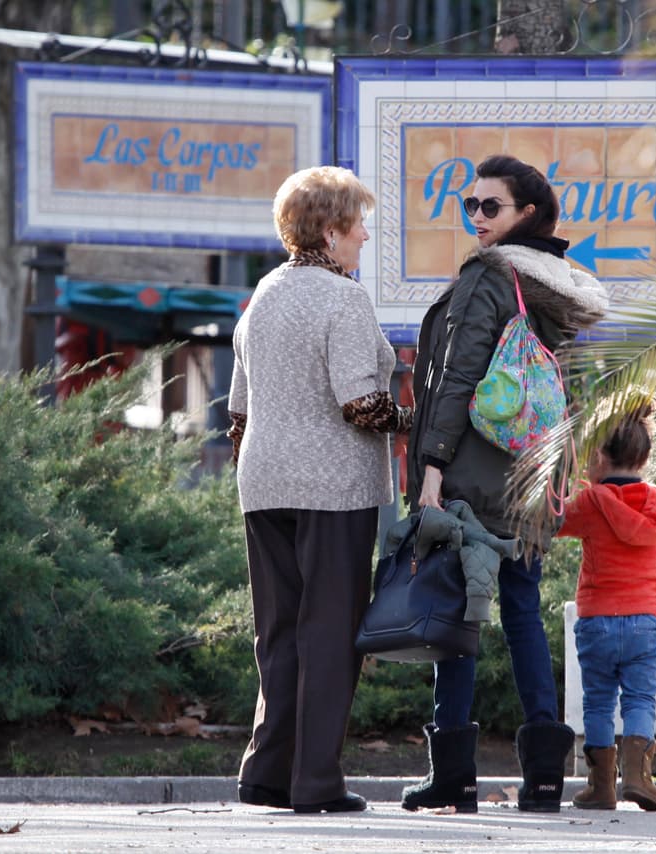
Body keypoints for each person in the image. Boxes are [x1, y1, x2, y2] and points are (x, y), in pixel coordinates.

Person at [402, 154, 609, 813]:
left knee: (457, 615)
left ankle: (453, 776)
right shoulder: (562, 288)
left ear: (527, 214)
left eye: (490, 206)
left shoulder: (488, 277)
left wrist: (430, 467)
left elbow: (458, 376)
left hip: (471, 477)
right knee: (522, 613)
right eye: (470, 206)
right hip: (533, 481)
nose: (477, 218)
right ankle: (546, 777)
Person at [226, 166, 410, 815]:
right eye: (357, 222)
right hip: (332, 486)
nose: (365, 234)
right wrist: (415, 423)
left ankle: (265, 774)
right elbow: (360, 403)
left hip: (263, 481)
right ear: (330, 231)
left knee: (278, 633)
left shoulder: (264, 294)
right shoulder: (344, 299)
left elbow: (239, 414)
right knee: (329, 633)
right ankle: (315, 783)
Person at [557, 399, 656, 812]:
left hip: (599, 619)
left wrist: (565, 475)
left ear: (601, 458)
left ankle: (601, 785)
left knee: (599, 700)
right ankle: (639, 777)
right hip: (646, 618)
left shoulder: (590, 502)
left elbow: (554, 521)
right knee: (640, 699)